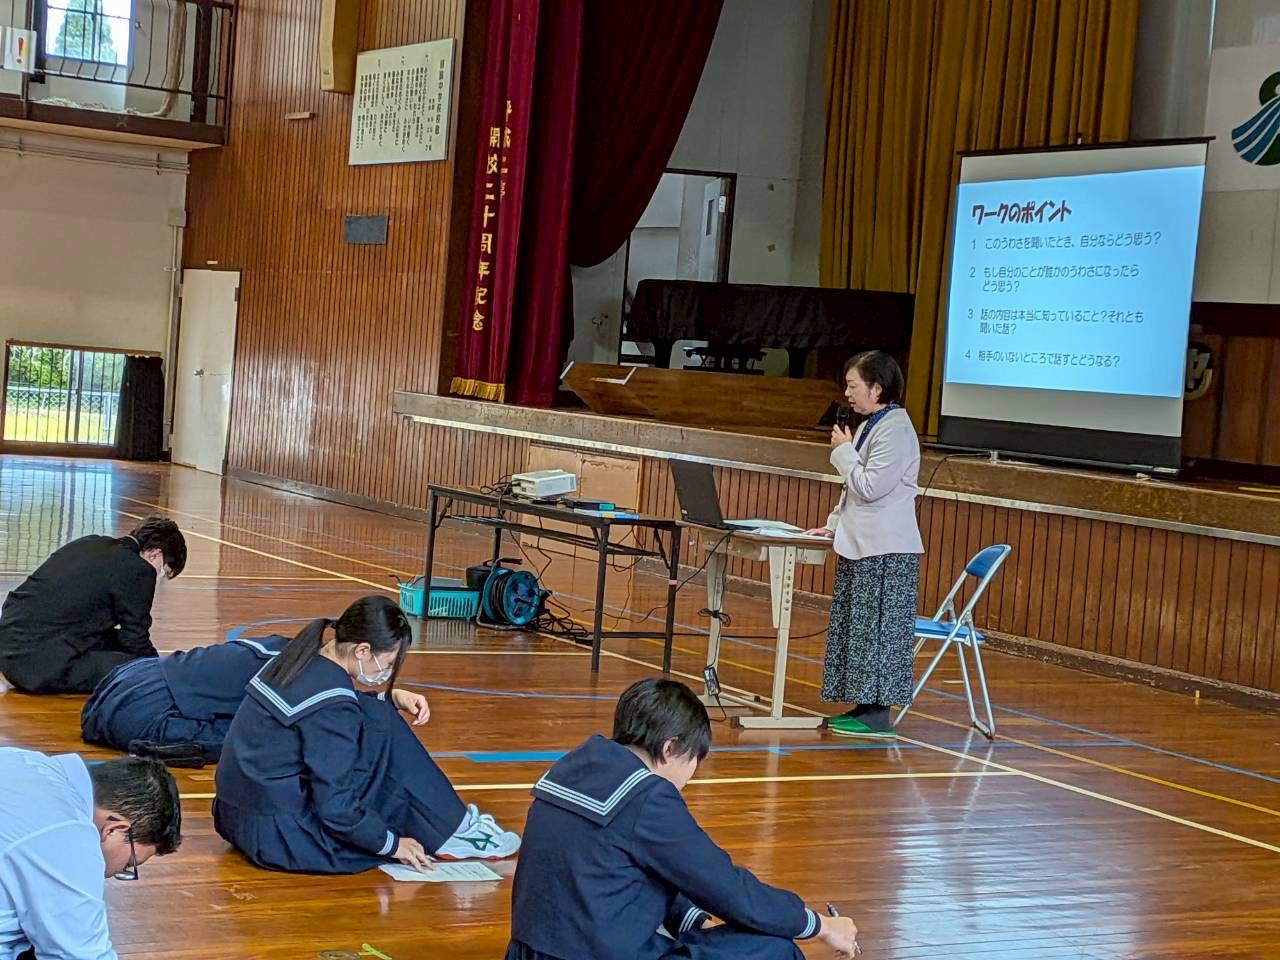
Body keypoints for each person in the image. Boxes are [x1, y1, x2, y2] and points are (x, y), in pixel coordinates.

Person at [506, 678, 861, 960]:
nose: (691, 775)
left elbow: (620, 871)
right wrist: (820, 925)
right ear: (669, 748)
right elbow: (731, 890)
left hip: (528, 951)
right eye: (694, 760)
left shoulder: (572, 769)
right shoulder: (646, 796)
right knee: (774, 950)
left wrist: (691, 919)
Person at [214, 594, 520, 874]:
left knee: (380, 715)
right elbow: (336, 807)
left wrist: (391, 697)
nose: (384, 674)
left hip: (233, 817)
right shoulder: (335, 708)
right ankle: (454, 831)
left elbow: (320, 709)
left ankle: (449, 825)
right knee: (385, 737)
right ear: (362, 650)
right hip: (279, 837)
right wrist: (391, 843)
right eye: (386, 664)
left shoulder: (298, 658)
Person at [804, 350, 924, 738]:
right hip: (862, 544)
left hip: (886, 549)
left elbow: (870, 487)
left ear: (877, 387)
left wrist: (841, 452)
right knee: (859, 630)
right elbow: (853, 491)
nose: (848, 392)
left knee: (878, 632)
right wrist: (832, 525)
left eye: (854, 385)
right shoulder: (876, 423)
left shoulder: (896, 429)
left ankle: (877, 715)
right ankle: (863, 705)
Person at [0, 749, 182, 960]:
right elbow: (81, 954)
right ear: (114, 829)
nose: (112, 874)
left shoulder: (18, 758)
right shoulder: (66, 831)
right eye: (128, 863)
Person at [0, 516, 187, 695]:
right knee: (138, 669)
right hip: (35, 665)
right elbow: (135, 640)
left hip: (9, 642)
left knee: (117, 645)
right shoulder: (139, 570)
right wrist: (161, 671)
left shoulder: (90, 542)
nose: (157, 578)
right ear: (155, 554)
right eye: (162, 572)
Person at [81, 634, 292, 764]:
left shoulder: (279, 645)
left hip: (118, 683)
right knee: (273, 740)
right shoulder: (300, 672)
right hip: (141, 710)